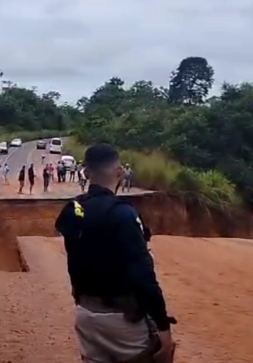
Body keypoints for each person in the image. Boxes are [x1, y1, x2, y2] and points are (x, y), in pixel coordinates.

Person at [55, 144, 176, 363]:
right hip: (124, 320)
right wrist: (163, 325)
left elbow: (74, 264)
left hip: (87, 315)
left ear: (85, 172)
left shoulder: (73, 210)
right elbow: (143, 275)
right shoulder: (124, 214)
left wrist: (81, 301)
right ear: (119, 172)